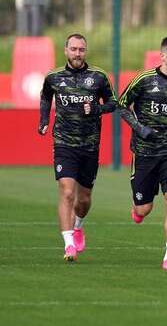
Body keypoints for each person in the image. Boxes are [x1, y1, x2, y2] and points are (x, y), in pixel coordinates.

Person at [119, 36, 167, 271]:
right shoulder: (144, 80)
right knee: (144, 208)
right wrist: (140, 128)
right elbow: (121, 105)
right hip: (145, 152)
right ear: (162, 56)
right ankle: (137, 208)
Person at [38, 34, 117, 262]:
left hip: (90, 145)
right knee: (66, 192)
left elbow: (113, 103)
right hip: (64, 143)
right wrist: (44, 120)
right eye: (73, 49)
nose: (77, 53)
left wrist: (96, 109)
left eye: (81, 49)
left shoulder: (99, 77)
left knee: (83, 199)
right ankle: (69, 243)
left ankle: (79, 225)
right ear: (66, 51)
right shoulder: (53, 77)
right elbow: (45, 97)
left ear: (86, 51)